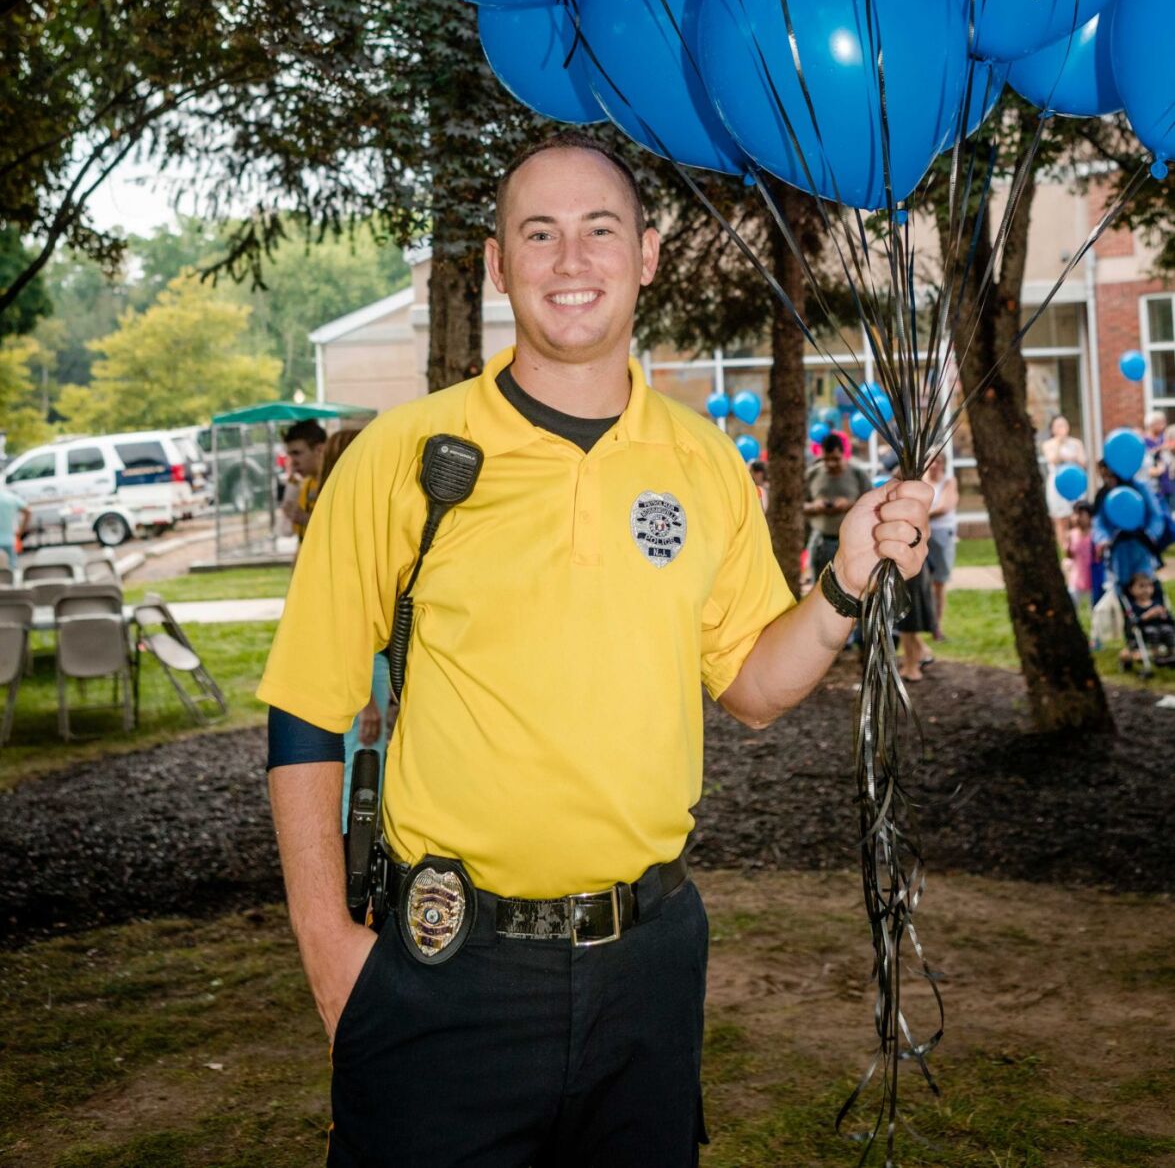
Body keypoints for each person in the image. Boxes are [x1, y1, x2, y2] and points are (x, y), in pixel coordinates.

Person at [258, 135, 932, 1168]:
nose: (570, 261)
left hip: (647, 970)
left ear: (647, 254)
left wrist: (841, 581)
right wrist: (327, 951)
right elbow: (306, 710)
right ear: (496, 262)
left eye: (598, 229)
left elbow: (751, 683)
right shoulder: (402, 456)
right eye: (538, 232)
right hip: (445, 967)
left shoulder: (703, 461)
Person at [316, 428, 395, 827]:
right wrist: (369, 701)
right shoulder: (351, 530)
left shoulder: (327, 524)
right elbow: (350, 616)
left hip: (354, 668)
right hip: (362, 669)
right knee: (360, 770)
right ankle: (355, 870)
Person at [803, 430, 871, 590]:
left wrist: (849, 505)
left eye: (835, 459)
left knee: (848, 589)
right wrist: (815, 506)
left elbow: (871, 505)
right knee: (817, 588)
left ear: (844, 455)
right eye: (826, 460)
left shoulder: (857, 474)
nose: (831, 464)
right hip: (820, 540)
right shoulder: (813, 474)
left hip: (850, 542)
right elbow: (798, 506)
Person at [923, 453, 958, 641]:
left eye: (939, 461)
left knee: (938, 583)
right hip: (922, 535)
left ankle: (937, 626)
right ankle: (923, 624)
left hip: (942, 535)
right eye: (931, 460)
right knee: (922, 583)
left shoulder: (948, 482)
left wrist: (921, 514)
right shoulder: (920, 483)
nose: (934, 465)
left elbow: (945, 506)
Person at [1041, 413, 1086, 548]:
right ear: (1053, 429)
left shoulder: (1076, 443)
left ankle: (1077, 546)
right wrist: (1059, 443)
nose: (1062, 428)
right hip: (1057, 484)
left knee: (1076, 516)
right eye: (1058, 425)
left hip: (1074, 482)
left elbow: (1083, 462)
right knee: (1060, 519)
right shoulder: (1049, 444)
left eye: (1064, 424)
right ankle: (1064, 548)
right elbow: (1052, 459)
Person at [282, 419, 327, 546]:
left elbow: (345, 530)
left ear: (319, 450)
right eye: (290, 455)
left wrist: (305, 518)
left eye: (297, 453)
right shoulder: (306, 485)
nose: (293, 461)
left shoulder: (335, 484)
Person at [1119, 571, 1175, 670]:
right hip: (1145, 631)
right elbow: (1133, 622)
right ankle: (1157, 656)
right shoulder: (1134, 606)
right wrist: (1146, 616)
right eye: (1141, 586)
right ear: (1131, 590)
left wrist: (1164, 615)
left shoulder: (1157, 602)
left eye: (1149, 586)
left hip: (1162, 628)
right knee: (1152, 631)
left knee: (1168, 629)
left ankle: (1172, 653)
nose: (1146, 590)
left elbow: (1169, 619)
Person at [1063, 502, 1094, 617]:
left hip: (1092, 577)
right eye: (1075, 514)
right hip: (1076, 578)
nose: (1077, 517)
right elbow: (1069, 556)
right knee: (1071, 606)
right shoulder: (1071, 535)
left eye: (1081, 514)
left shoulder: (1095, 535)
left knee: (1094, 609)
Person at [0, 482, 30, 567]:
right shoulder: (11, 497)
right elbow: (28, 511)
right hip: (10, 539)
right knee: (12, 568)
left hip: (10, 538)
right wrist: (22, 530)